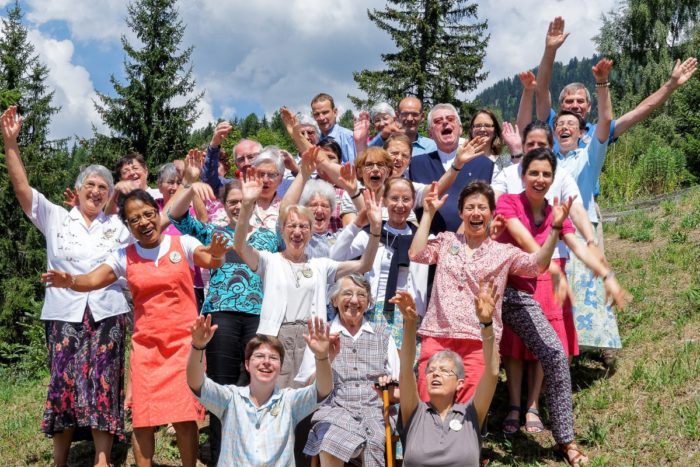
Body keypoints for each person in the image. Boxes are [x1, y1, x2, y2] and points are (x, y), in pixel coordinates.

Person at [42, 189, 233, 466]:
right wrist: (70, 280)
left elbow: (210, 259)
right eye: (134, 219)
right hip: (146, 348)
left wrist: (216, 254)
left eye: (148, 214)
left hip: (184, 346)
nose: (143, 222)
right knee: (144, 418)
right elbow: (93, 280)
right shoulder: (124, 255)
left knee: (183, 416)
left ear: (158, 215)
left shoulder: (185, 245)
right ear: (128, 226)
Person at [1, 106, 130, 467]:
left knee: (105, 384)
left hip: (109, 315)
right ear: (77, 189)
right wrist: (11, 144)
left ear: (108, 196)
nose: (96, 191)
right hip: (63, 314)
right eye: (90, 184)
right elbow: (23, 188)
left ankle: (103, 460)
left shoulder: (117, 227)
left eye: (103, 187)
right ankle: (60, 461)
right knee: (63, 386)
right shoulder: (56, 216)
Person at [496, 148, 628, 447]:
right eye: (534, 173)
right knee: (515, 349)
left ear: (553, 178)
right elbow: (525, 241)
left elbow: (578, 246)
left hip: (547, 280)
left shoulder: (555, 209)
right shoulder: (507, 202)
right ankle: (514, 404)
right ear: (522, 175)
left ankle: (532, 405)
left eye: (546, 174)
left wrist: (607, 275)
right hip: (517, 282)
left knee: (548, 346)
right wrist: (552, 269)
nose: (540, 179)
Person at [408, 181, 568, 403]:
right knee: (429, 408)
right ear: (461, 213)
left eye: (482, 208)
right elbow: (416, 254)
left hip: (479, 343)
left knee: (466, 416)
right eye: (470, 207)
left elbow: (537, 265)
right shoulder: (446, 240)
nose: (476, 213)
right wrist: (427, 213)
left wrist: (555, 229)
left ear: (492, 213)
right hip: (437, 337)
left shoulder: (503, 252)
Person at [233, 168, 382, 388]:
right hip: (276, 336)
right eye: (292, 226)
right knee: (273, 397)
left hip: (311, 337)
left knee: (307, 400)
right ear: (282, 231)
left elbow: (364, 264)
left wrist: (376, 230)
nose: (297, 231)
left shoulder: (320, 265)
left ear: (311, 232)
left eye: (304, 227)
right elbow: (239, 245)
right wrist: (246, 206)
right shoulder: (269, 260)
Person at [168, 176, 279, 465]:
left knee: (255, 389)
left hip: (259, 317)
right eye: (232, 201)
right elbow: (174, 215)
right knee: (221, 388)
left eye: (244, 200)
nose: (238, 205)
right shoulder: (212, 233)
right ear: (223, 205)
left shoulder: (268, 236)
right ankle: (221, 457)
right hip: (220, 316)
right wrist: (190, 183)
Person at [187, 316, 333, 466]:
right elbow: (197, 383)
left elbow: (322, 390)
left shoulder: (290, 401)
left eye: (273, 358)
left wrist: (322, 356)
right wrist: (198, 347)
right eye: (259, 356)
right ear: (247, 364)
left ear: (280, 367)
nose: (266, 362)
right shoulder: (230, 398)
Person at [294, 274, 401, 466]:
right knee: (330, 440)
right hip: (334, 411)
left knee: (374, 436)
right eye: (347, 293)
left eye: (361, 295)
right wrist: (325, 358)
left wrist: (388, 387)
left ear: (368, 302)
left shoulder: (384, 335)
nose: (354, 300)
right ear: (334, 300)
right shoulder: (322, 334)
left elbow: (400, 392)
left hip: (376, 413)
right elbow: (310, 390)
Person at [389, 282, 499, 467]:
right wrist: (409, 322)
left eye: (444, 370)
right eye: (431, 371)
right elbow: (406, 369)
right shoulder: (415, 412)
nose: (436, 374)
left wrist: (487, 325)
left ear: (460, 383)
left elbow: (492, 372)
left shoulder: (471, 414)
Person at [330, 178, 429, 347]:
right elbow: (336, 256)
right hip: (374, 309)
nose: (400, 205)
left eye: (406, 199)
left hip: (408, 312)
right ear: (383, 200)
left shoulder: (421, 236)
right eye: (394, 198)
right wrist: (357, 223)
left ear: (413, 202)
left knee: (404, 368)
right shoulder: (372, 232)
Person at [409, 103, 494, 233]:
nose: (444, 122)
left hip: (472, 243)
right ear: (430, 133)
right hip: (429, 243)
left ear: (460, 129)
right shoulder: (416, 165)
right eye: (437, 121)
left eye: (450, 119)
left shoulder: (485, 164)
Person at [368, 96, 437, 157]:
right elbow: (362, 157)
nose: (409, 119)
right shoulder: (381, 146)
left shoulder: (432, 147)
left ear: (422, 117)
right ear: (397, 116)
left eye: (414, 114)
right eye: (405, 114)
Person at [311, 93, 357, 163]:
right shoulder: (317, 141)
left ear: (335, 112)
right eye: (317, 114)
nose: (321, 118)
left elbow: (354, 168)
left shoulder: (348, 137)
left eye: (325, 112)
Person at [467, 109, 509, 179]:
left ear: (495, 130)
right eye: (478, 125)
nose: (482, 129)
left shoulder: (504, 162)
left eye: (487, 125)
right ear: (472, 129)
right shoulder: (463, 160)